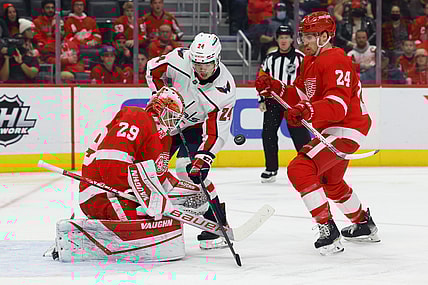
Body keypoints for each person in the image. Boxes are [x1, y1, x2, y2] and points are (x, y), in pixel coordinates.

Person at [255, 11, 380, 255]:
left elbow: (337, 105)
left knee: (299, 169)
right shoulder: (310, 61)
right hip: (333, 128)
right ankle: (363, 224)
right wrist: (276, 87)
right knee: (330, 182)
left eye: (310, 36)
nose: (304, 41)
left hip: (346, 127)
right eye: (303, 36)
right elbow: (300, 95)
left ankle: (328, 229)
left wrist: (307, 109)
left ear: (325, 36)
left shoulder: (336, 60)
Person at [146, 32, 237, 250]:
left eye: (206, 64)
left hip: (195, 126)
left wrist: (203, 159)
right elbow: (152, 69)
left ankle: (216, 219)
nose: (201, 69)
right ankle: (149, 219)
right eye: (197, 63)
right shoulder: (179, 59)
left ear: (217, 59)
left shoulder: (224, 90)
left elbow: (216, 132)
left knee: (189, 171)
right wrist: (162, 95)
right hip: (167, 120)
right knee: (151, 169)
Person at [257, 25, 311, 183]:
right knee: (268, 134)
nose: (284, 40)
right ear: (277, 39)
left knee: (300, 136)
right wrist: (261, 99)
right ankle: (271, 168)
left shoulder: (301, 58)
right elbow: (261, 80)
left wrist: (305, 101)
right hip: (273, 102)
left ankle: (310, 166)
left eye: (286, 37)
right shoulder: (270, 59)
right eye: (281, 37)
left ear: (292, 39)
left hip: (294, 103)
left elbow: (308, 80)